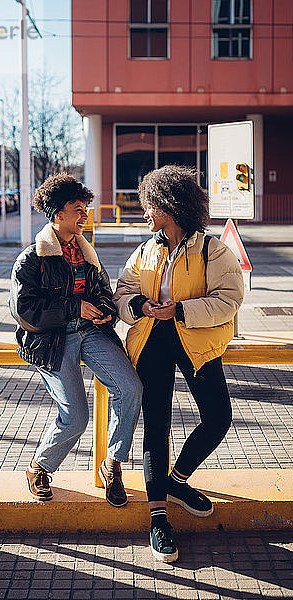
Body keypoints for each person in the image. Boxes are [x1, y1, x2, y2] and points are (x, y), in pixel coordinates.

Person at [114, 165, 244, 562]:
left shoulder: (212, 250)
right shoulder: (146, 249)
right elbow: (123, 291)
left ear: (169, 205)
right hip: (152, 342)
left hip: (196, 342)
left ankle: (177, 480)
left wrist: (182, 310)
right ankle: (158, 520)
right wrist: (138, 305)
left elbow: (229, 300)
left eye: (150, 205)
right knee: (156, 428)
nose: (145, 213)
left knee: (218, 418)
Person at [9, 173, 142, 507]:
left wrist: (106, 311)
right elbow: (25, 311)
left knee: (130, 389)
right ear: (58, 216)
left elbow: (102, 291)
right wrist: (74, 307)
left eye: (85, 208)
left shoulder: (85, 252)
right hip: (52, 340)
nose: (85, 215)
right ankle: (39, 467)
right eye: (78, 209)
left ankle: (113, 464)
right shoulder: (32, 259)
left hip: (92, 332)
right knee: (76, 417)